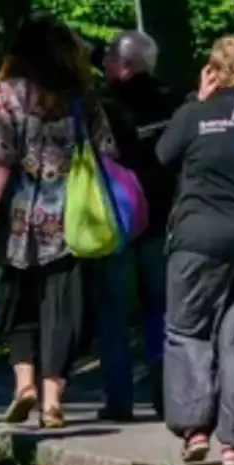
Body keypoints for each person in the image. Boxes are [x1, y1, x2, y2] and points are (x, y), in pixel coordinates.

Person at [0, 14, 118, 430]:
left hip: (19, 218)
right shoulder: (81, 96)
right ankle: (53, 400)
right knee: (63, 308)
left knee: (16, 301)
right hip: (72, 219)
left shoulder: (8, 93)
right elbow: (107, 152)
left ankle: (24, 385)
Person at [156, 36, 234, 465]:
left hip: (198, 239)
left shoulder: (194, 115)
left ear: (212, 71)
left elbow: (161, 156)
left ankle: (195, 429)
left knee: (188, 331)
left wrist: (195, 100)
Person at [97, 29, 182, 420]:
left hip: (118, 217)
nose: (104, 65)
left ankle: (119, 399)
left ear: (126, 65)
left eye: (110, 58)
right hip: (165, 215)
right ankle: (167, 395)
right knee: (161, 309)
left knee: (112, 310)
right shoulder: (174, 101)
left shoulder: (105, 106)